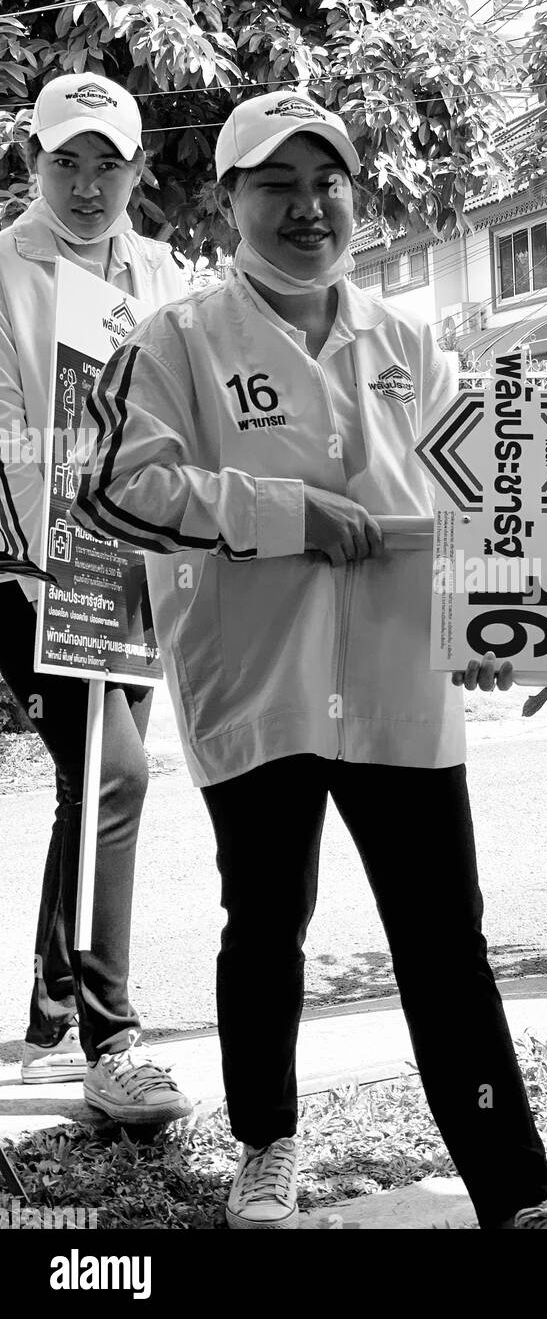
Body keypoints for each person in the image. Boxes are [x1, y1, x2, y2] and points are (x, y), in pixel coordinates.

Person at [70, 91, 547, 1230]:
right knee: (265, 922)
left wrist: (492, 618)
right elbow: (118, 490)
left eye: (325, 181)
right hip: (261, 681)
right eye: (275, 184)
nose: (306, 207)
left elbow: (474, 501)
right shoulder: (177, 339)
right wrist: (286, 511)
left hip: (399, 684)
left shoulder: (410, 339)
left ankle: (519, 1190)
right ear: (230, 201)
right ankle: (267, 1143)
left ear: (354, 195)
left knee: (445, 939)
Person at [0, 73, 192, 1124]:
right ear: (36, 161)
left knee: (92, 787)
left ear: (136, 165)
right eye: (65, 161)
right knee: (115, 774)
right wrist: (51, 554)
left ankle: (46, 1013)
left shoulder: (165, 274)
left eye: (105, 162)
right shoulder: (5, 266)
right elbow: (6, 435)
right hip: (28, 566)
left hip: (141, 568)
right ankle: (113, 1039)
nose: (85, 184)